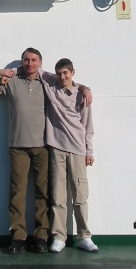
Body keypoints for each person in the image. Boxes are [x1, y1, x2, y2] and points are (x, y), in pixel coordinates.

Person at [0, 47, 49, 254]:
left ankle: (41, 236)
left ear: (40, 62)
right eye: (26, 60)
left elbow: (69, 83)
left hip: (42, 146)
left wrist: (85, 88)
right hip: (17, 146)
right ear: (22, 62)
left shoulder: (47, 82)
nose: (30, 63)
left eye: (34, 60)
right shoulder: (11, 82)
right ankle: (18, 237)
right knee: (17, 193)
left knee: (43, 193)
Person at [42, 58, 98, 253]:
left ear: (73, 73)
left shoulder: (82, 95)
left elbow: (88, 126)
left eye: (65, 73)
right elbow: (34, 68)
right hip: (56, 148)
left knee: (80, 196)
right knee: (58, 196)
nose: (62, 77)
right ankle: (59, 237)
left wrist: (89, 151)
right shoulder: (51, 85)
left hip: (78, 150)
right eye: (59, 73)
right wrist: (5, 73)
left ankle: (84, 236)